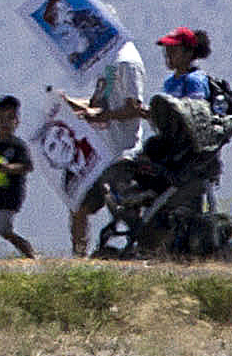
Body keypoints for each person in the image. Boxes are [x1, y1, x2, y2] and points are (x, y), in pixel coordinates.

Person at [64, 14, 160, 260]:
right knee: (79, 204)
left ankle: (146, 250)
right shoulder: (108, 64)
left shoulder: (127, 63)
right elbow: (99, 102)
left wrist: (102, 114)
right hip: (100, 151)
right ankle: (79, 258)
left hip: (121, 152)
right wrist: (70, 104)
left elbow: (133, 107)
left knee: (126, 209)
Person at [0, 95, 36, 259]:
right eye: (1, 119)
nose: (5, 123)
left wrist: (9, 168)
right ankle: (28, 252)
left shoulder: (18, 146)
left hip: (11, 194)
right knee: (4, 230)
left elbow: (27, 166)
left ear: (17, 121)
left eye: (10, 118)